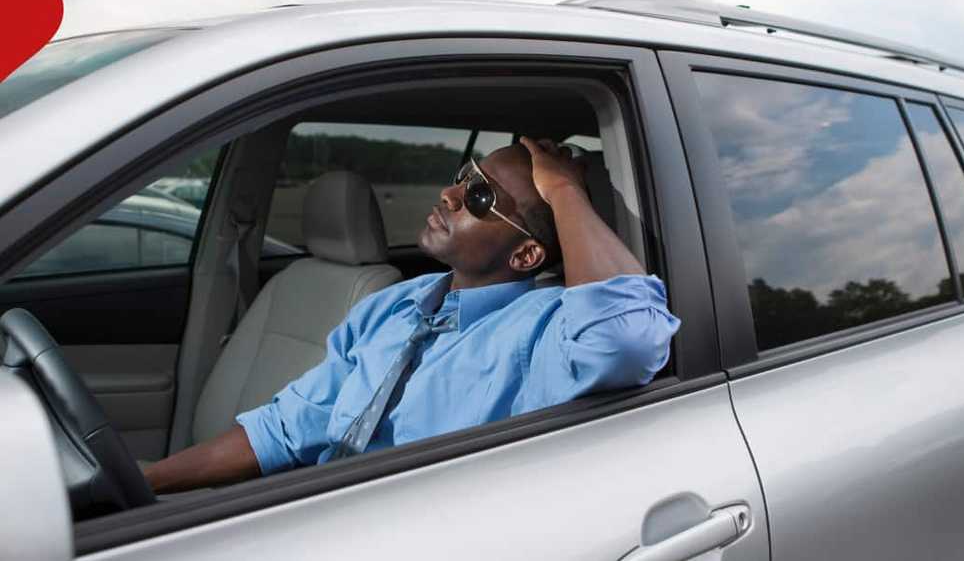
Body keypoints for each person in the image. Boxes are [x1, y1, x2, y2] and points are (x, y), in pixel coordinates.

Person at [143, 137, 680, 493]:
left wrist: (563, 191)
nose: (448, 194)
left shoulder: (541, 331)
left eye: (479, 197)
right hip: (315, 513)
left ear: (524, 255)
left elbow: (626, 338)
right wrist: (148, 483)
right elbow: (285, 428)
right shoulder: (396, 305)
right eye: (465, 175)